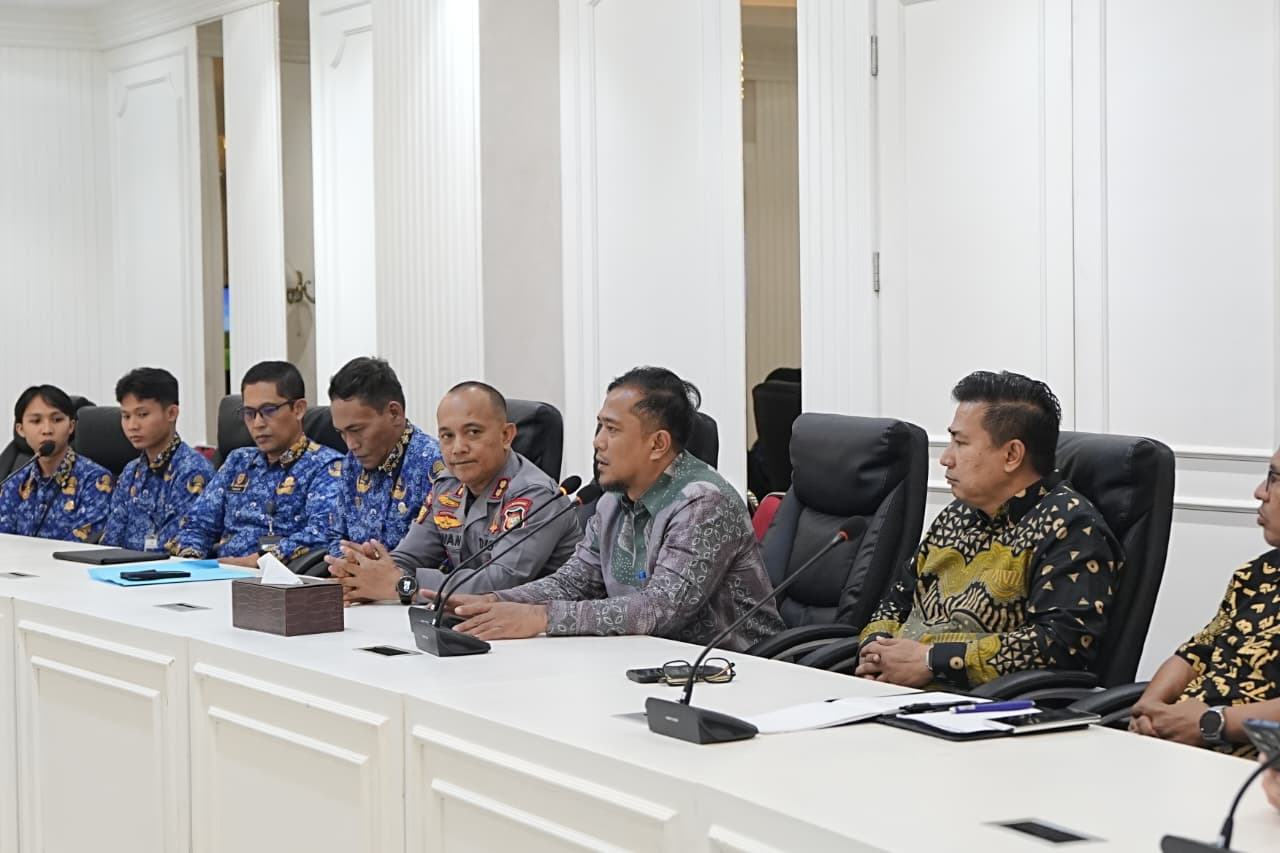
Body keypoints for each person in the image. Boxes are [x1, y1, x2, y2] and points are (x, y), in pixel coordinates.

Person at [430, 367, 785, 650]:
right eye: (599, 426)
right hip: (646, 660)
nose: (597, 442)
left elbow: (659, 610)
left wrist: (541, 618)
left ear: (658, 444)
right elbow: (574, 582)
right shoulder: (613, 497)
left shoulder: (703, 503)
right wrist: (490, 601)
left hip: (738, 672)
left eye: (612, 430)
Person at [856, 370, 1123, 689]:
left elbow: (1059, 644)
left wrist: (933, 660)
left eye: (960, 443)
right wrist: (875, 651)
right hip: (888, 687)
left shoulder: (1070, 527)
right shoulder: (957, 514)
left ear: (1011, 455)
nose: (946, 459)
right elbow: (897, 600)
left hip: (976, 704)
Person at [327, 381, 580, 604]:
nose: (458, 448)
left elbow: (500, 581)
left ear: (506, 435)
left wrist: (402, 585)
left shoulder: (536, 496)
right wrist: (367, 574)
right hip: (470, 619)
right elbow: (409, 556)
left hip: (539, 628)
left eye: (473, 433)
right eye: (447, 436)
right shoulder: (447, 486)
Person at [1129, 449, 1280, 756]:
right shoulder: (1257, 574)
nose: (1260, 492)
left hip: (1254, 760)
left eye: (1274, 479)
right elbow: (1196, 652)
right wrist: (1150, 708)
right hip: (1185, 746)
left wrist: (1213, 723)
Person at [177, 361, 342, 567]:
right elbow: (197, 523)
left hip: (276, 577)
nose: (258, 423)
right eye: (249, 413)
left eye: (269, 410)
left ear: (299, 409)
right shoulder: (238, 461)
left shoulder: (326, 466)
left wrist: (257, 562)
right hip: (218, 573)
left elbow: (322, 532)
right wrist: (191, 563)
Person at [325, 357, 445, 555]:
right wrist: (348, 559)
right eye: (341, 433)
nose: (351, 444)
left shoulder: (436, 465)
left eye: (357, 430)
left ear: (394, 413)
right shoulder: (352, 463)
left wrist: (379, 567)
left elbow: (446, 556)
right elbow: (336, 535)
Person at [101, 367, 215, 553]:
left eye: (142, 415)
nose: (132, 425)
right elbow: (111, 539)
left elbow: (179, 545)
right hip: (121, 566)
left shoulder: (193, 471)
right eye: (126, 416)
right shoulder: (131, 472)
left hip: (167, 569)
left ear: (171, 413)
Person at [0, 385, 112, 542]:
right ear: (21, 430)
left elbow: (84, 544)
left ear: (71, 426)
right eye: (36, 421)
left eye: (57, 420)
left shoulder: (95, 480)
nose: (47, 430)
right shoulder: (13, 483)